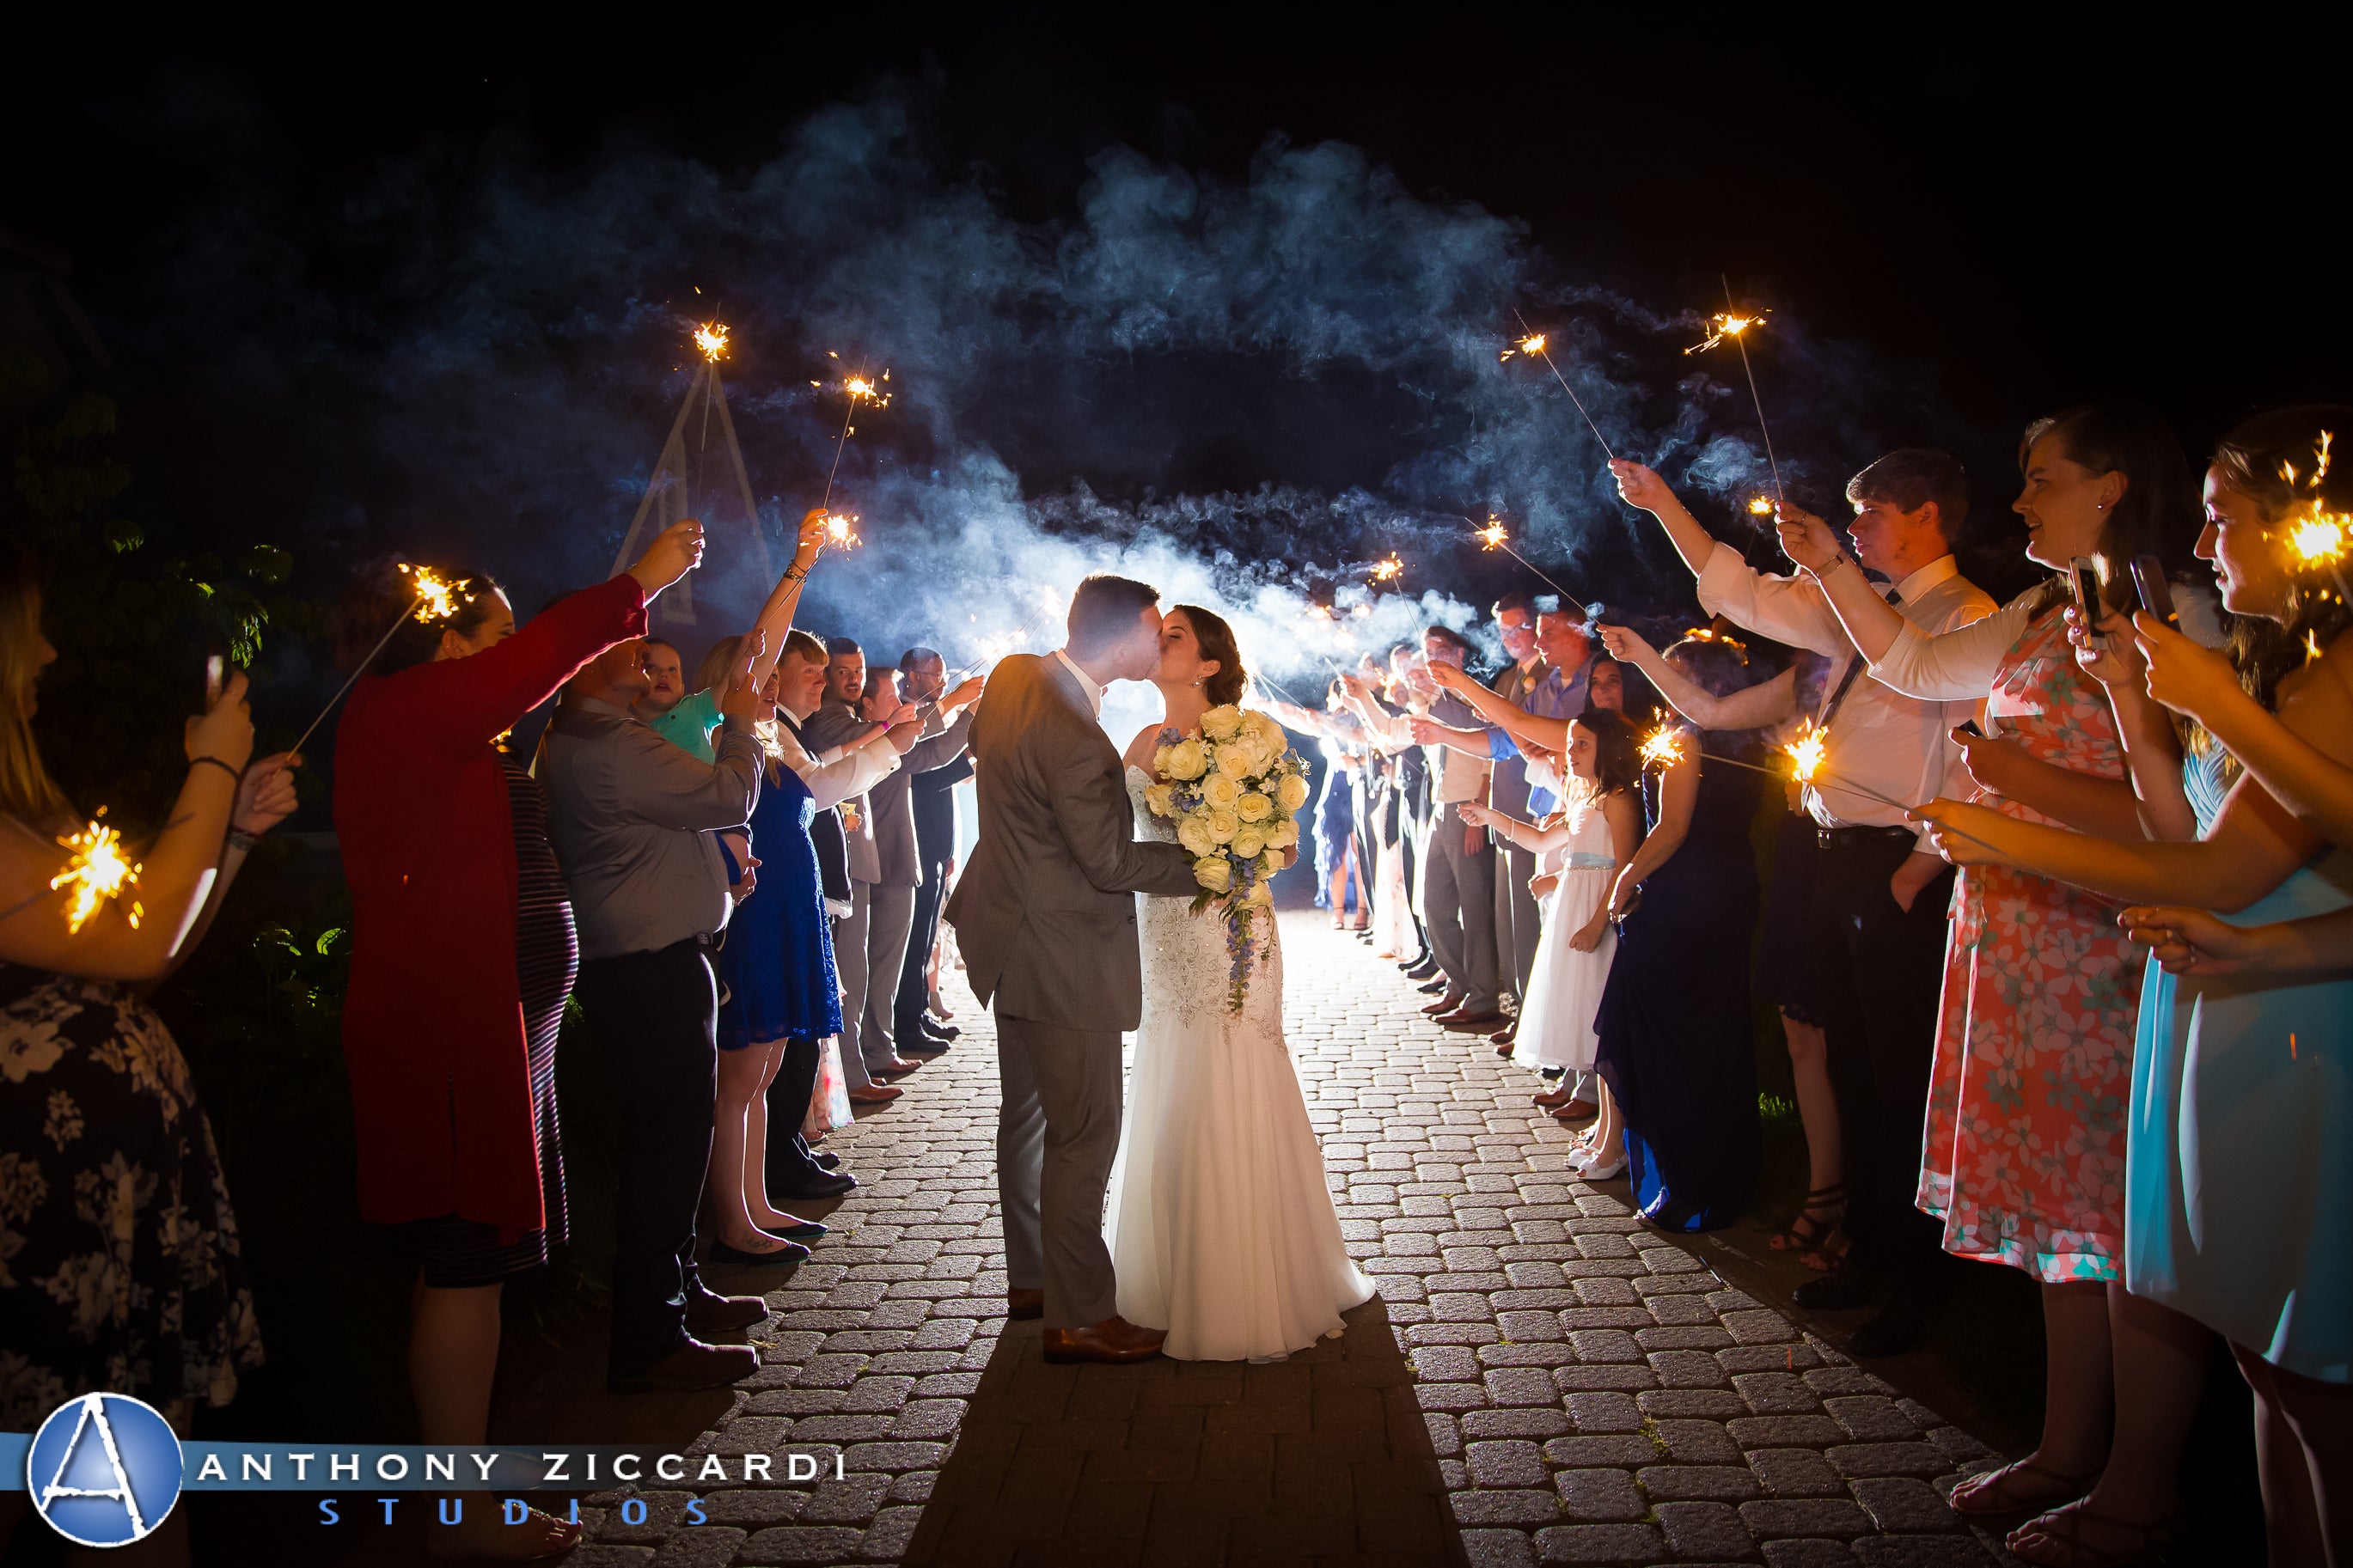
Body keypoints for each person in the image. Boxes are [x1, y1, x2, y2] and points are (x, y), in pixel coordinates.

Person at [1915, 405, 2353, 1568]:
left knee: (2320, 1381)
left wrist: (2005, 832)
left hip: (2305, 1045)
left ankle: (2142, 1489)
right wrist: (2127, 698)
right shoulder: (2269, 662)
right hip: (2234, 998)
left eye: (2225, 521)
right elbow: (2185, 820)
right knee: (2270, 1364)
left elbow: (2212, 866)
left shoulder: (2297, 669)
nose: (2207, 545)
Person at [1780, 401, 2203, 1534]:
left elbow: (2182, 812)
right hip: (2015, 936)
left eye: (2042, 477)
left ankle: (2143, 1487)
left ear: (2110, 486)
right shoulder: (2035, 606)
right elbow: (1912, 661)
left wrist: (1990, 775)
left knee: (2124, 1224)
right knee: (2061, 1220)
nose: (2018, 499)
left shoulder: (2180, 617)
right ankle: (2067, 1446)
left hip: (2104, 945)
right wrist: (1829, 565)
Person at [1613, 450, 1998, 1350]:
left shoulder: (1965, 615)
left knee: (1900, 1082)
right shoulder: (1854, 613)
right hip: (1830, 856)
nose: (1852, 531)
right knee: (1855, 1070)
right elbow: (1743, 596)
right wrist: (1662, 501)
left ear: (1926, 516)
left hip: (1893, 866)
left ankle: (1915, 1286)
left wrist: (1918, 866)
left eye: (1867, 516)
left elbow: (1978, 759)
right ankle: (1863, 1246)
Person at [0, 546, 284, 1565]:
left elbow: (130, 968)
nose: (48, 648)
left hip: (110, 1210)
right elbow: (137, 942)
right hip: (38, 1224)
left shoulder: (26, 820)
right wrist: (209, 766)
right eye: (26, 626)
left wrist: (233, 837)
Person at [946, 574, 1206, 1364]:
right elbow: (1107, 860)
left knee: (1026, 1121)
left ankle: (1033, 1278)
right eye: (1153, 627)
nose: (1158, 640)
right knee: (1085, 1134)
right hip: (1063, 956)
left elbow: (988, 760)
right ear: (1122, 632)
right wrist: (1213, 863)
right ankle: (1081, 1314)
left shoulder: (1015, 677)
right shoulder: (1075, 731)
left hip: (1006, 939)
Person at [1105, 605, 1373, 1360]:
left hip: (1234, 927)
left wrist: (1245, 850)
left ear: (1211, 663)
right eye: (1156, 631)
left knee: (1235, 1068)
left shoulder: (1255, 738)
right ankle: (1167, 1276)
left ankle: (1249, 1281)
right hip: (1164, 932)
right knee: (1174, 1074)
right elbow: (1115, 842)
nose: (1158, 640)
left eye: (1176, 635)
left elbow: (1285, 844)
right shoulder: (1139, 741)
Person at [539, 614, 769, 1394]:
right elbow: (729, 793)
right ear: (579, 664)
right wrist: (742, 725)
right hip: (650, 972)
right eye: (618, 645)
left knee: (672, 1142)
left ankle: (675, 1293)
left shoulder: (591, 737)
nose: (638, 655)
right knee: (664, 1150)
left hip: (650, 967)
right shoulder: (612, 746)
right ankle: (651, 1335)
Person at [1578, 634, 1769, 1230]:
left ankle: (1686, 1179)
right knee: (1715, 1033)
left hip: (1684, 897)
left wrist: (1623, 881)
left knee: (1669, 1035)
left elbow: (1674, 826)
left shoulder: (1687, 737)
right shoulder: (1749, 738)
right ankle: (1723, 1172)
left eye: (1675, 669)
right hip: (1731, 885)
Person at [1458, 709, 1642, 1168]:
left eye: (1583, 744)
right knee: (1588, 1024)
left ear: (1607, 747)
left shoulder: (1617, 799)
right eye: (1571, 743)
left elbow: (1623, 867)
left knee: (1604, 1027)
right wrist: (1489, 816)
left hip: (1598, 912)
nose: (1572, 752)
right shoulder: (1585, 798)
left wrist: (1600, 921)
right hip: (1574, 908)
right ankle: (1604, 1129)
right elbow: (1542, 841)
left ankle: (1616, 1141)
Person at [764, 632, 904, 1191]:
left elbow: (823, 769)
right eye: (813, 671)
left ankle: (792, 1142)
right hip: (787, 895)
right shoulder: (770, 728)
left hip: (809, 890)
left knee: (807, 1028)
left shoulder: (790, 729)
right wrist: (891, 742)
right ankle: (782, 1153)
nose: (824, 682)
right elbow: (816, 784)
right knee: (797, 1029)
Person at [848, 664, 981, 1069]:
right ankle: (868, 1052)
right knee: (863, 967)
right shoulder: (861, 737)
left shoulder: (891, 741)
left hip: (897, 858)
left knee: (891, 960)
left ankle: (882, 1045)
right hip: (871, 858)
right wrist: (956, 701)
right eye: (892, 697)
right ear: (867, 704)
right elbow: (926, 750)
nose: (902, 704)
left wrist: (971, 712)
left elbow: (935, 752)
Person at [1401, 627, 1502, 1028]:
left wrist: (1479, 807)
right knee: (1433, 902)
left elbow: (1492, 756)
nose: (1430, 658)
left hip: (1468, 808)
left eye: (1439, 650)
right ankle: (1459, 983)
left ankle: (1482, 997)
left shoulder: (1473, 695)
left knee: (1475, 906)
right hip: (1442, 807)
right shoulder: (1435, 697)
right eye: (1426, 652)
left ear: (1459, 653)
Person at [895, 647, 978, 1053]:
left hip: (935, 840)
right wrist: (968, 754)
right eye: (933, 675)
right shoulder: (900, 716)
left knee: (926, 933)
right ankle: (905, 1018)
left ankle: (918, 1010)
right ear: (911, 675)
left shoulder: (935, 718)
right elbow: (927, 776)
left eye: (944, 675)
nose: (942, 683)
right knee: (912, 937)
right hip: (913, 837)